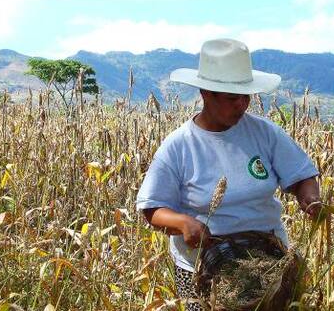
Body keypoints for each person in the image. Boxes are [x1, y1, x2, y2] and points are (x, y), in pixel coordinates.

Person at [136, 38, 322, 310]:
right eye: (232, 98)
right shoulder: (179, 146)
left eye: (246, 97)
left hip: (270, 266)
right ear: (206, 94)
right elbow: (152, 209)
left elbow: (301, 176)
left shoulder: (264, 133)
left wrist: (310, 197)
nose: (242, 105)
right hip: (201, 270)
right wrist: (184, 223)